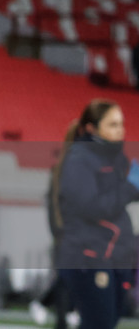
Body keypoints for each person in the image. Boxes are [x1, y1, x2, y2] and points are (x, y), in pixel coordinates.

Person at [56, 99, 139, 329]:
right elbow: (91, 207)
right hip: (90, 257)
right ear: (92, 128)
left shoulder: (115, 159)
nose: (120, 130)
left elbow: (118, 200)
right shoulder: (79, 160)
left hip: (115, 257)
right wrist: (131, 187)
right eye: (112, 124)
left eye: (121, 124)